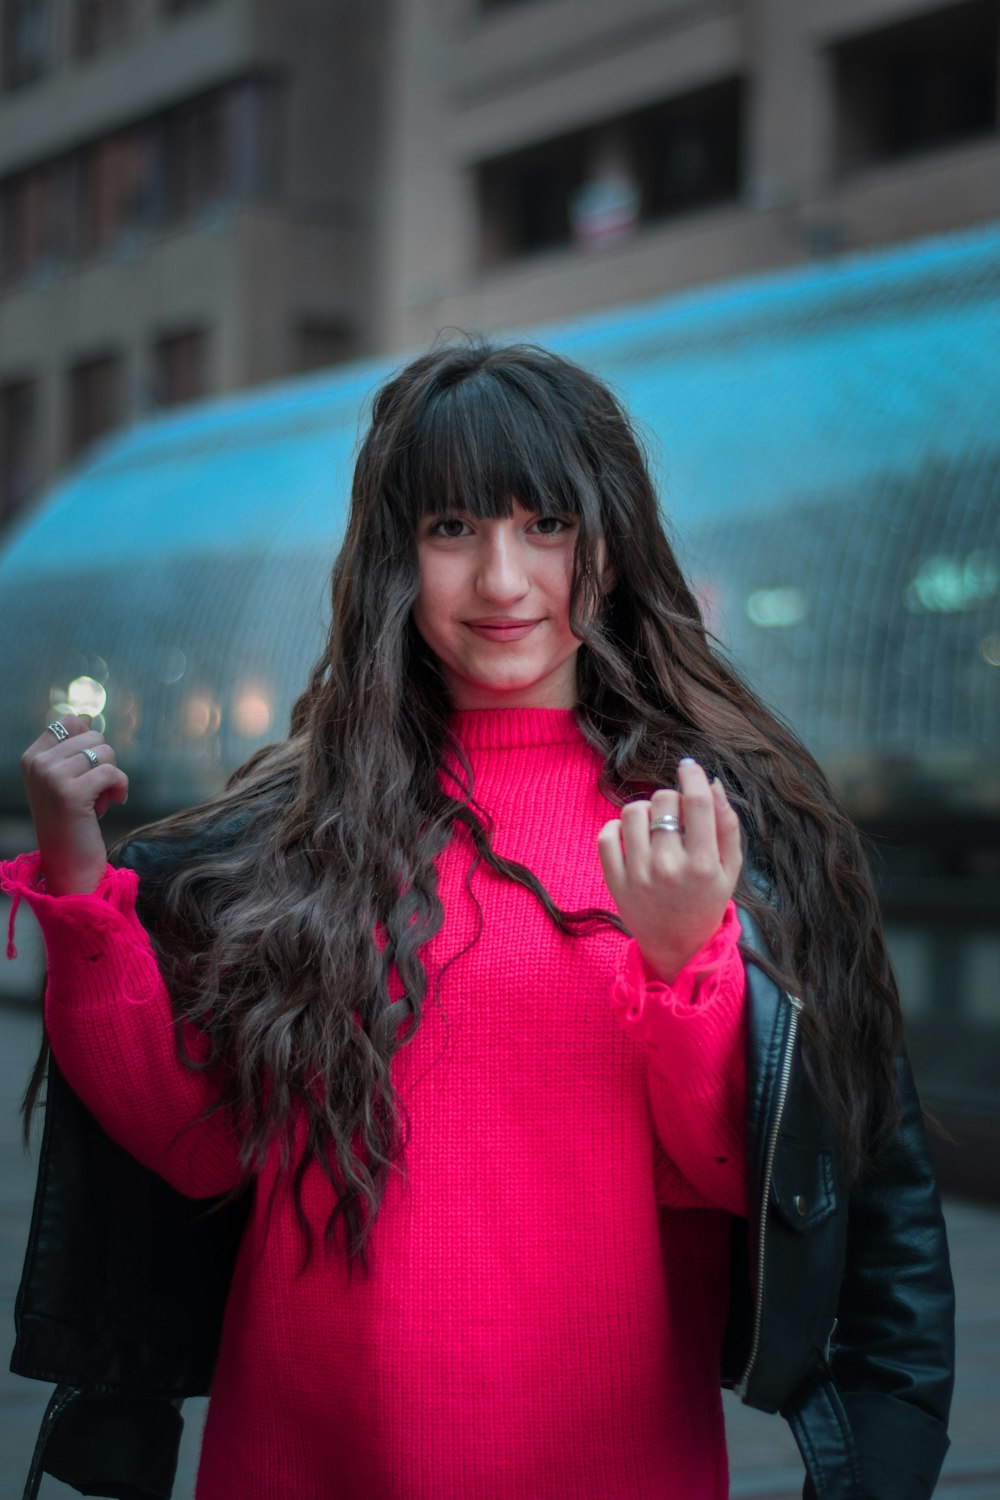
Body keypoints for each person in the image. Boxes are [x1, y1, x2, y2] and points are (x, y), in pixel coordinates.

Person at [4, 340, 953, 1500]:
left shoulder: (712, 827)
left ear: (610, 542)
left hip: (604, 1464)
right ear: (394, 557)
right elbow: (193, 1137)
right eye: (452, 528)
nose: (502, 580)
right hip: (302, 1458)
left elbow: (735, 1182)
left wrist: (683, 957)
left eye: (544, 525)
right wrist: (76, 878)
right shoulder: (300, 831)